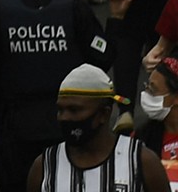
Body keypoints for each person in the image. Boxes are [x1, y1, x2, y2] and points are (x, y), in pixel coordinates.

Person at [0, 0, 109, 192]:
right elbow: (103, 57)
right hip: (68, 131)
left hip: (15, 130)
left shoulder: (2, 7)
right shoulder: (73, 6)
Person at [24, 65, 169, 192]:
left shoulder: (142, 162)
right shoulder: (44, 167)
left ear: (104, 114)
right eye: (60, 110)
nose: (64, 117)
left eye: (74, 110)